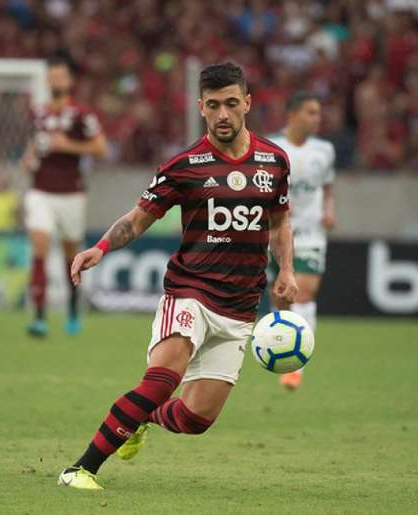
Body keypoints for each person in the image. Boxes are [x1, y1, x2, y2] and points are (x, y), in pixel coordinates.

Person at [58, 62, 297, 490]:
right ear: (201, 107)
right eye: (212, 106)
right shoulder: (184, 165)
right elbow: (137, 219)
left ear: (247, 102)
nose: (222, 114)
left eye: (230, 104)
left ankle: (143, 417)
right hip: (191, 292)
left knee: (195, 419)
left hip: (240, 307)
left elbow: (279, 222)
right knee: (163, 379)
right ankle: (80, 468)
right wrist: (101, 248)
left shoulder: (275, 161)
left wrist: (288, 271)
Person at [21, 56, 107, 338]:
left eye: (61, 76)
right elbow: (36, 143)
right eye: (52, 76)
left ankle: (71, 309)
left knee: (71, 253)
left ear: (69, 81)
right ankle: (39, 316)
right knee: (40, 247)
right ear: (47, 80)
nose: (56, 81)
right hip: (40, 191)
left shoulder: (82, 115)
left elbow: (100, 148)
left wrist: (67, 144)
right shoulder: (37, 113)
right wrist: (29, 156)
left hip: (71, 193)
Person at [267, 92, 335, 390]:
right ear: (292, 115)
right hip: (276, 230)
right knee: (281, 294)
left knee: (305, 291)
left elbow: (328, 187)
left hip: (311, 232)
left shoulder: (325, 150)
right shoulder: (272, 148)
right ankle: (279, 346)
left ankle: (297, 364)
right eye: (311, 112)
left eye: (318, 113)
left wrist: (329, 211)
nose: (317, 118)